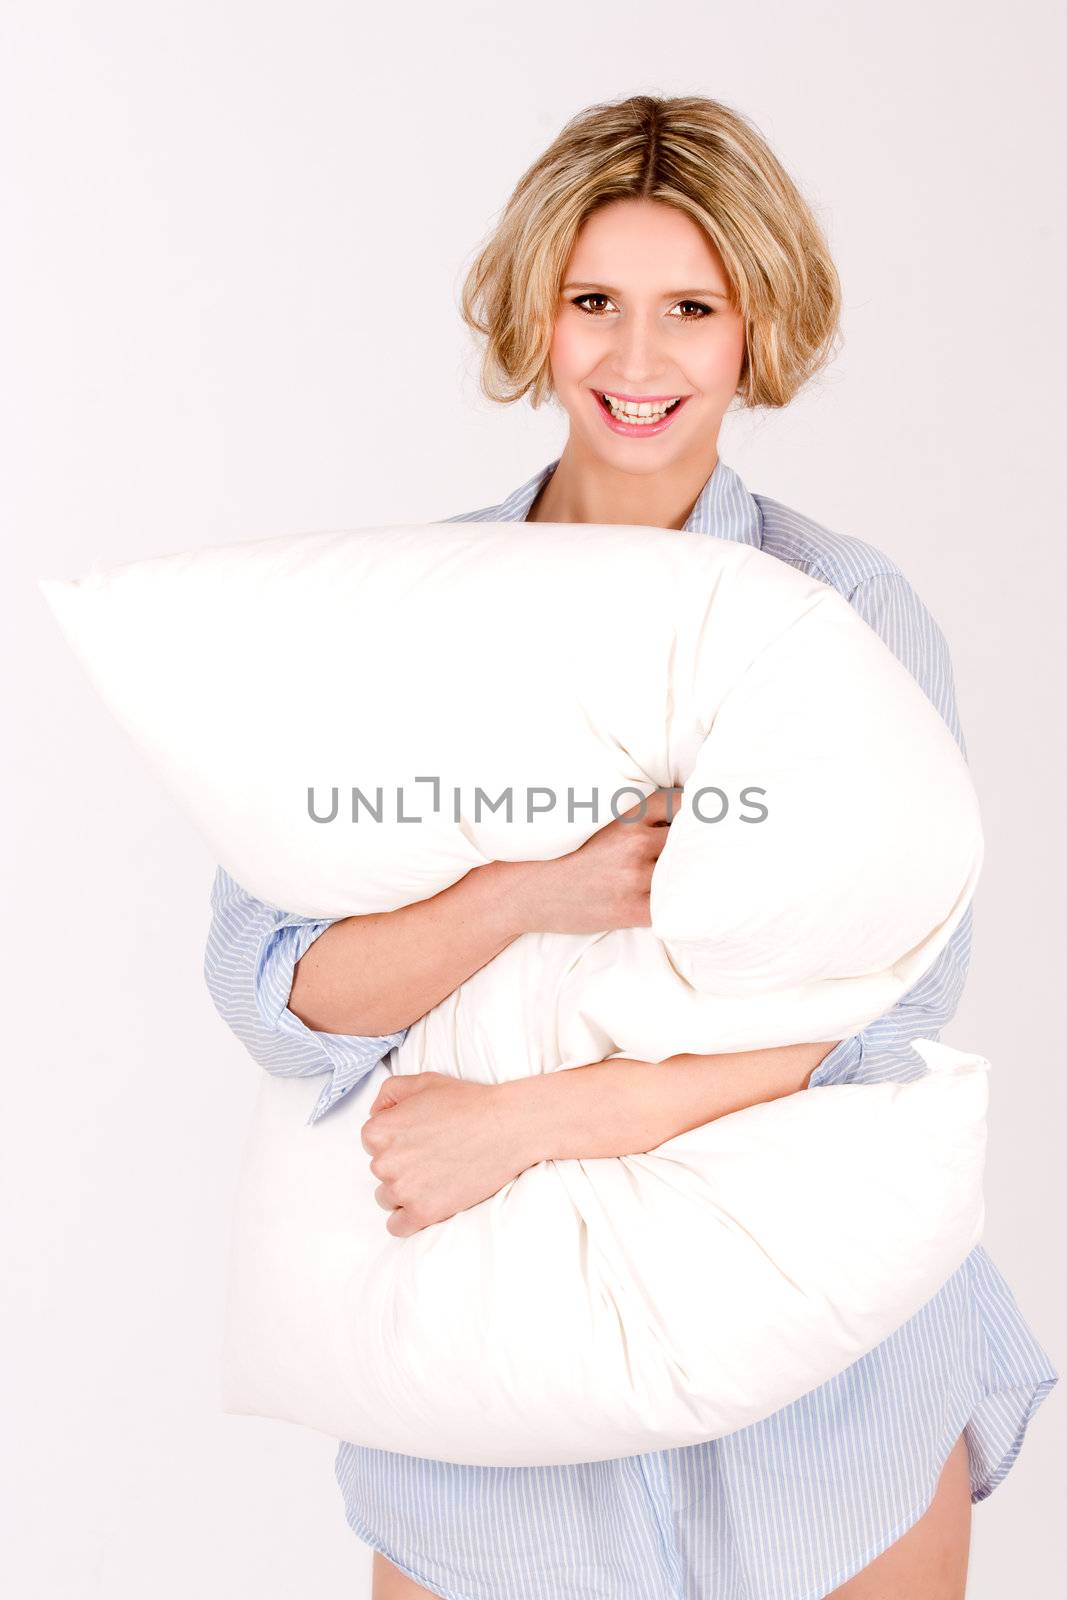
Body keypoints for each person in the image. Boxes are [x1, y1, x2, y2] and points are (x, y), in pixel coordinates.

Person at [203, 94, 1057, 1600]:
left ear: (755, 328)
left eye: (691, 308)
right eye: (594, 302)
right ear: (534, 314)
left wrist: (530, 1122)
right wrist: (541, 893)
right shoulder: (406, 617)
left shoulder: (844, 614)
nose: (639, 360)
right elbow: (272, 994)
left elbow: (893, 1022)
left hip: (832, 1397)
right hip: (490, 1417)